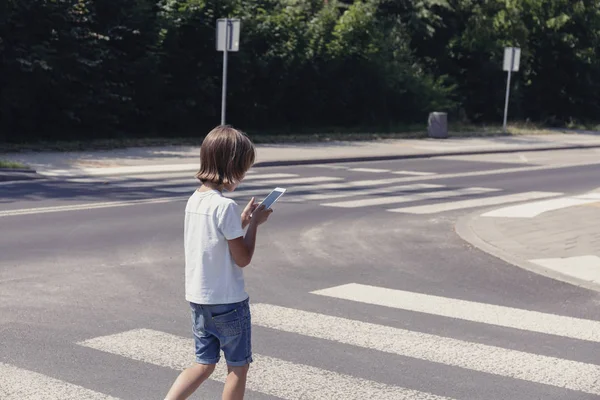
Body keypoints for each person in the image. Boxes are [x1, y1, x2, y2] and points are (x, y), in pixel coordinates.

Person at [165, 125, 272, 400]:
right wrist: (255, 225)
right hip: (228, 302)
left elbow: (214, 238)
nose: (243, 177)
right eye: (243, 170)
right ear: (231, 167)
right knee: (238, 367)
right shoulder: (225, 206)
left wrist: (243, 222)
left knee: (203, 363)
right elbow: (242, 258)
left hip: (200, 299)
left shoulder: (195, 200)